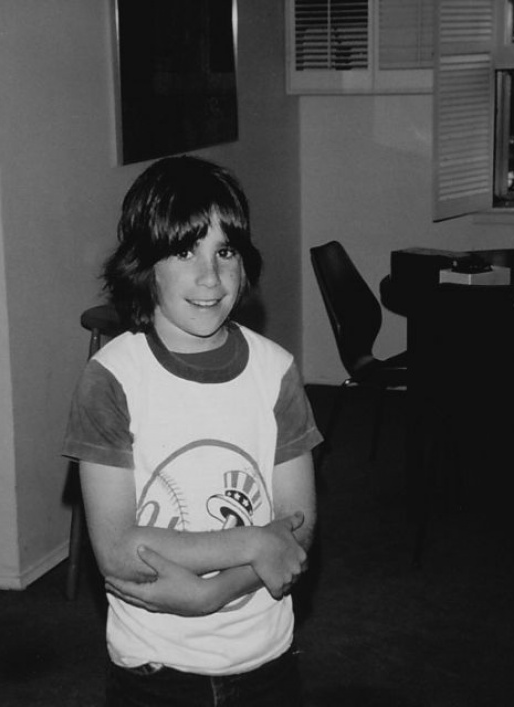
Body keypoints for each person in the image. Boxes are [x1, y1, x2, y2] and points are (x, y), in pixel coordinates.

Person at [62, 155, 322, 707]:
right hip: (154, 667)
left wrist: (211, 593)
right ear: (144, 265)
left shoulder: (276, 371)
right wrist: (254, 542)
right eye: (184, 252)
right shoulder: (110, 380)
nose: (210, 277)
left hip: (265, 657)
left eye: (224, 252)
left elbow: (296, 532)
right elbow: (118, 550)